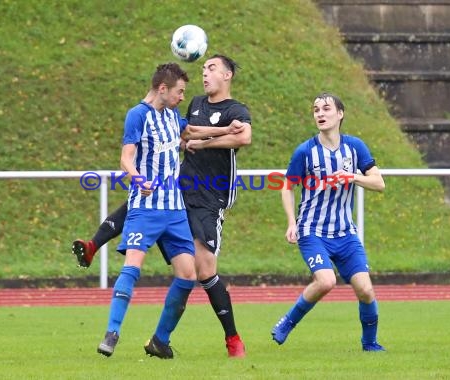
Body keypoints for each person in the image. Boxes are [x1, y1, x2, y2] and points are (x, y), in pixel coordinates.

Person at [74, 54, 252, 358]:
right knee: (133, 266)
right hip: (148, 207)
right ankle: (112, 333)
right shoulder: (138, 115)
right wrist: (136, 177)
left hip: (179, 209)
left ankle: (161, 340)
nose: (184, 96)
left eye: (210, 69)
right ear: (162, 89)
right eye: (179, 91)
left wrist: (226, 130)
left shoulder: (176, 115)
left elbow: (192, 132)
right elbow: (126, 158)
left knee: (190, 274)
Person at [270, 92, 386, 352]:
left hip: (345, 233)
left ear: (340, 114)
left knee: (366, 291)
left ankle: (370, 343)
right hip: (312, 230)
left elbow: (379, 183)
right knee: (326, 281)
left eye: (326, 109)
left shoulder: (355, 147)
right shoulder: (305, 151)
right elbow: (287, 187)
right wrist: (291, 223)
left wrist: (353, 177)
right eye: (315, 110)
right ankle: (288, 322)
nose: (320, 114)